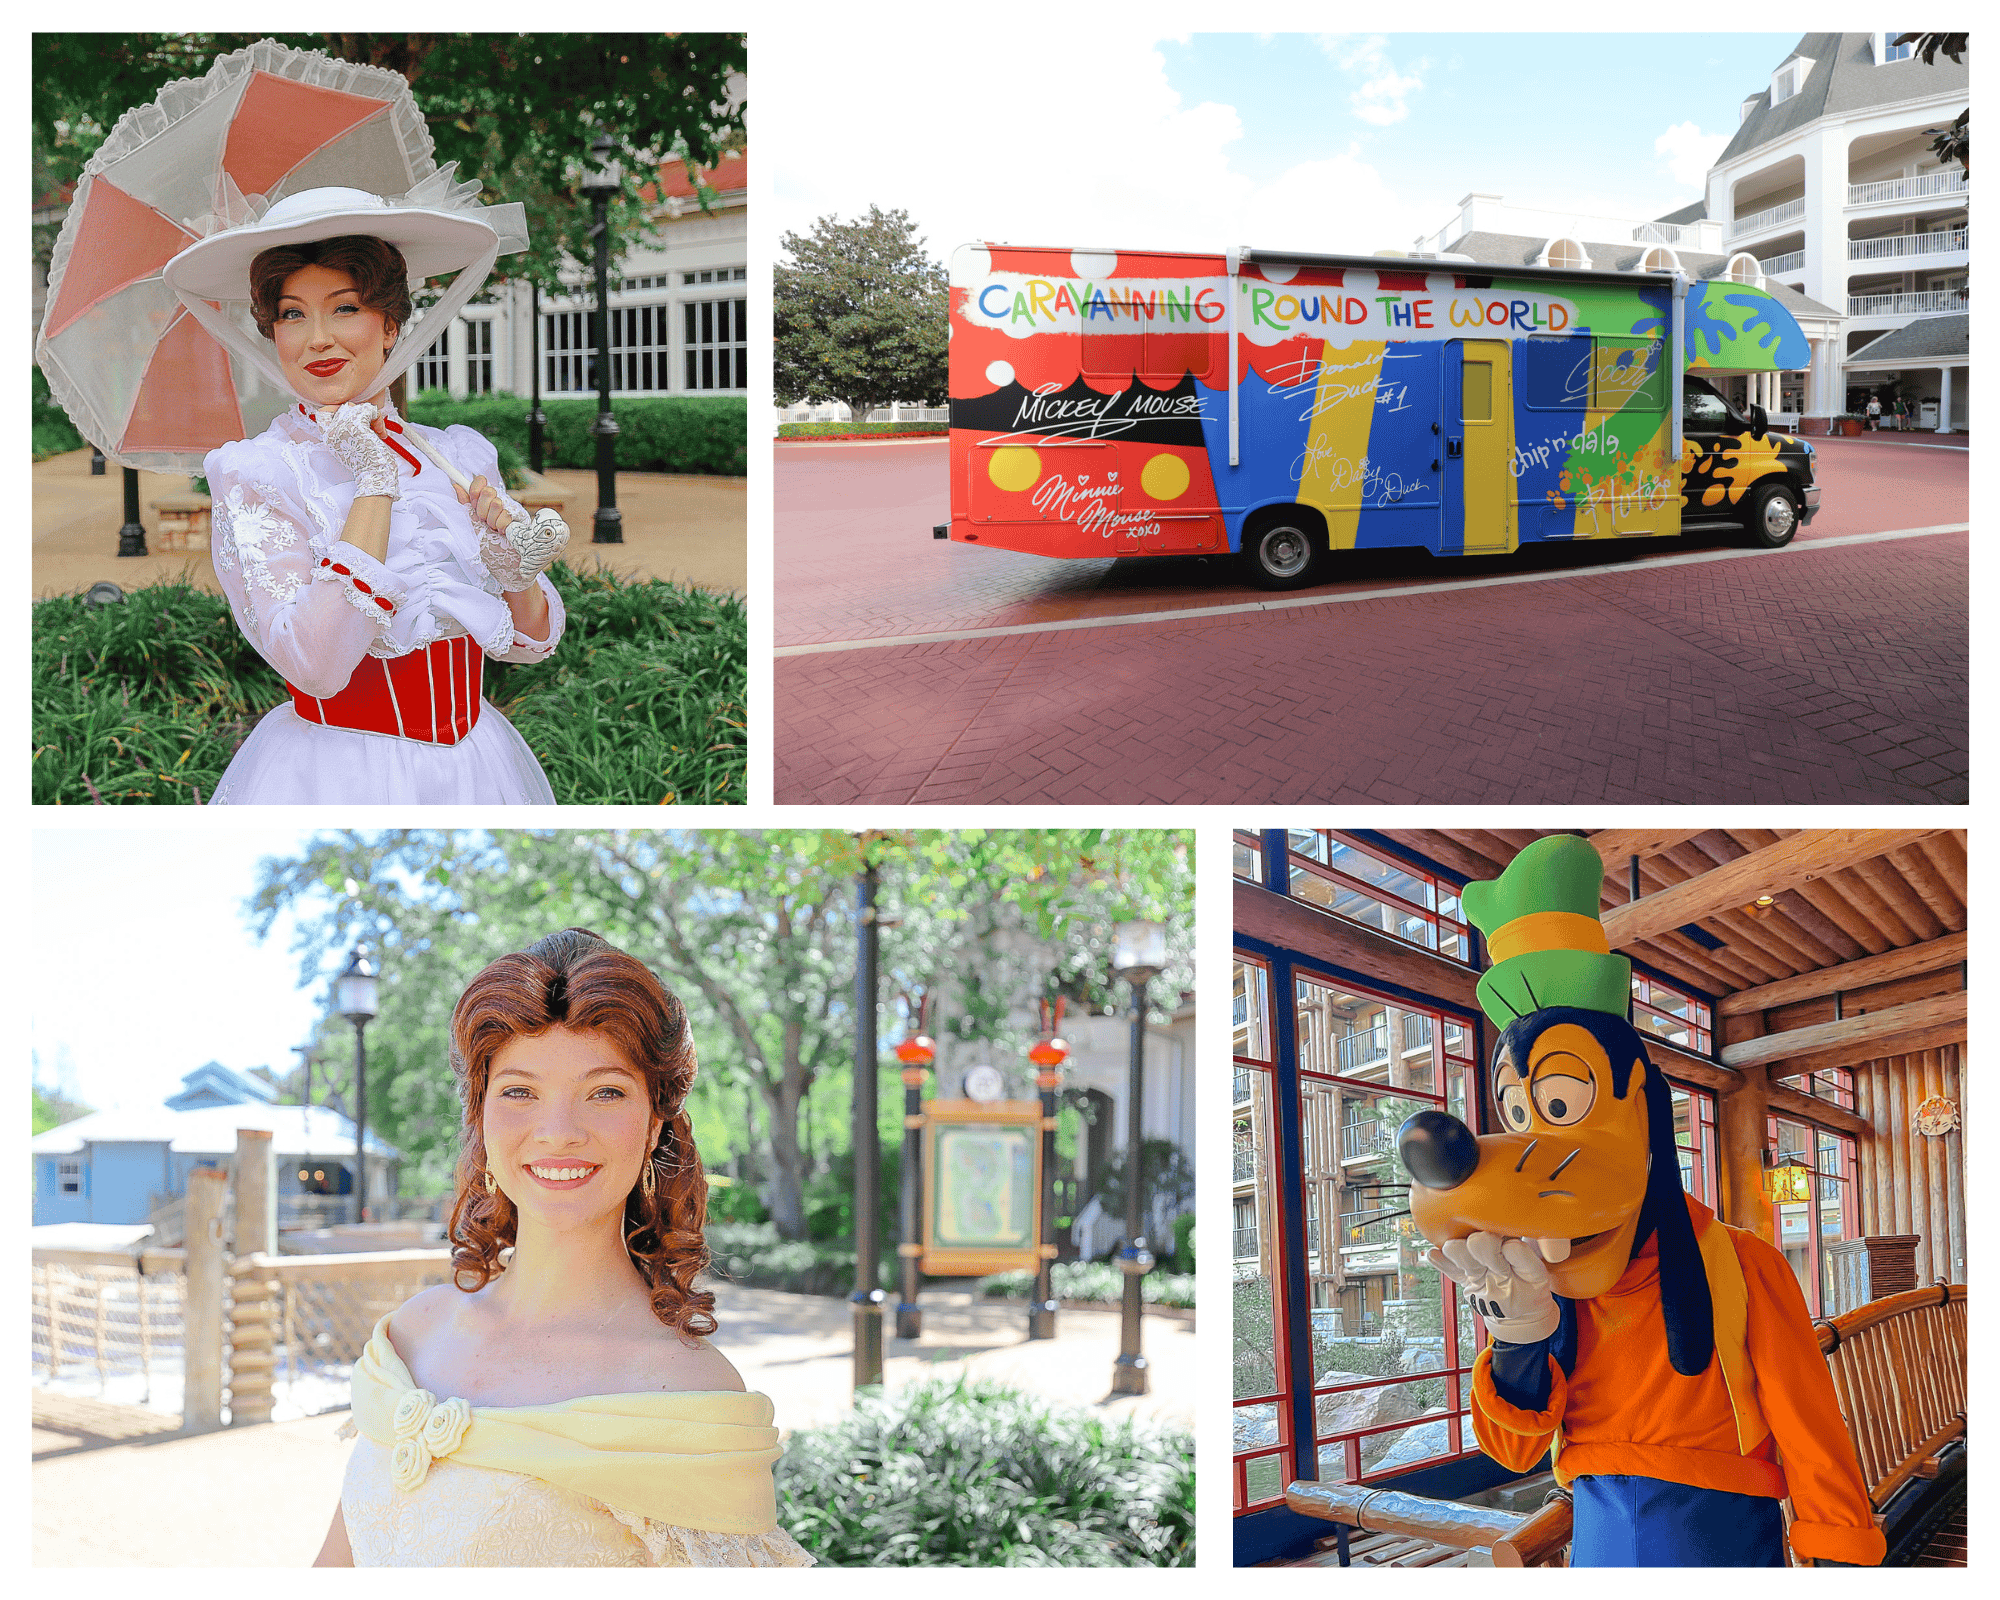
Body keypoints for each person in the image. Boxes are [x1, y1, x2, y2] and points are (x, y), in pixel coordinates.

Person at [314, 929, 813, 1567]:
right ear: (482, 1116)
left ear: (655, 1120)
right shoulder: (412, 1334)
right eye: (520, 1091)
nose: (559, 1133)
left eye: (605, 1092)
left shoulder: (685, 1389)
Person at [161, 188, 568, 804]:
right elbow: (315, 667)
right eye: (292, 314)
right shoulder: (260, 471)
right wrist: (373, 486)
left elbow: (529, 645)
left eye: (344, 308)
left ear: (390, 326)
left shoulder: (455, 455)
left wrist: (515, 570)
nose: (318, 338)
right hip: (337, 775)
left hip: (475, 771)